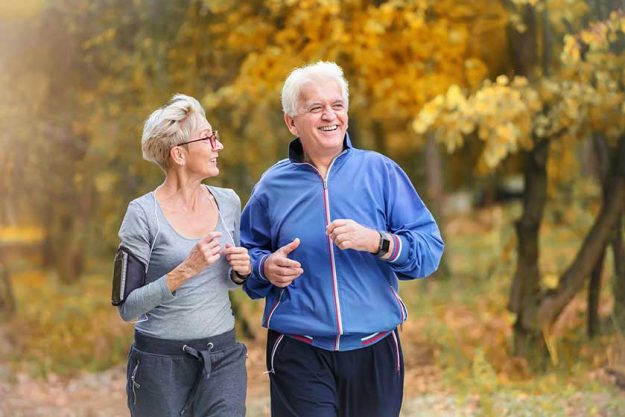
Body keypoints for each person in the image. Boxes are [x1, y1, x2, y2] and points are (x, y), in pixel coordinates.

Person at [240, 62, 445, 417]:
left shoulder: (380, 172)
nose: (329, 116)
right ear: (291, 122)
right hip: (299, 350)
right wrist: (264, 267)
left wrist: (378, 242)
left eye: (337, 105)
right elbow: (245, 257)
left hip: (376, 348)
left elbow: (429, 249)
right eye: (315, 108)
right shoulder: (272, 186)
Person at [113, 94, 250, 417]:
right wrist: (185, 269)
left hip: (222, 357)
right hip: (160, 364)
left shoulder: (228, 202)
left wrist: (241, 272)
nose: (219, 146)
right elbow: (127, 308)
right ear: (179, 153)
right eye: (209, 137)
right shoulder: (143, 214)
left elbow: (229, 282)